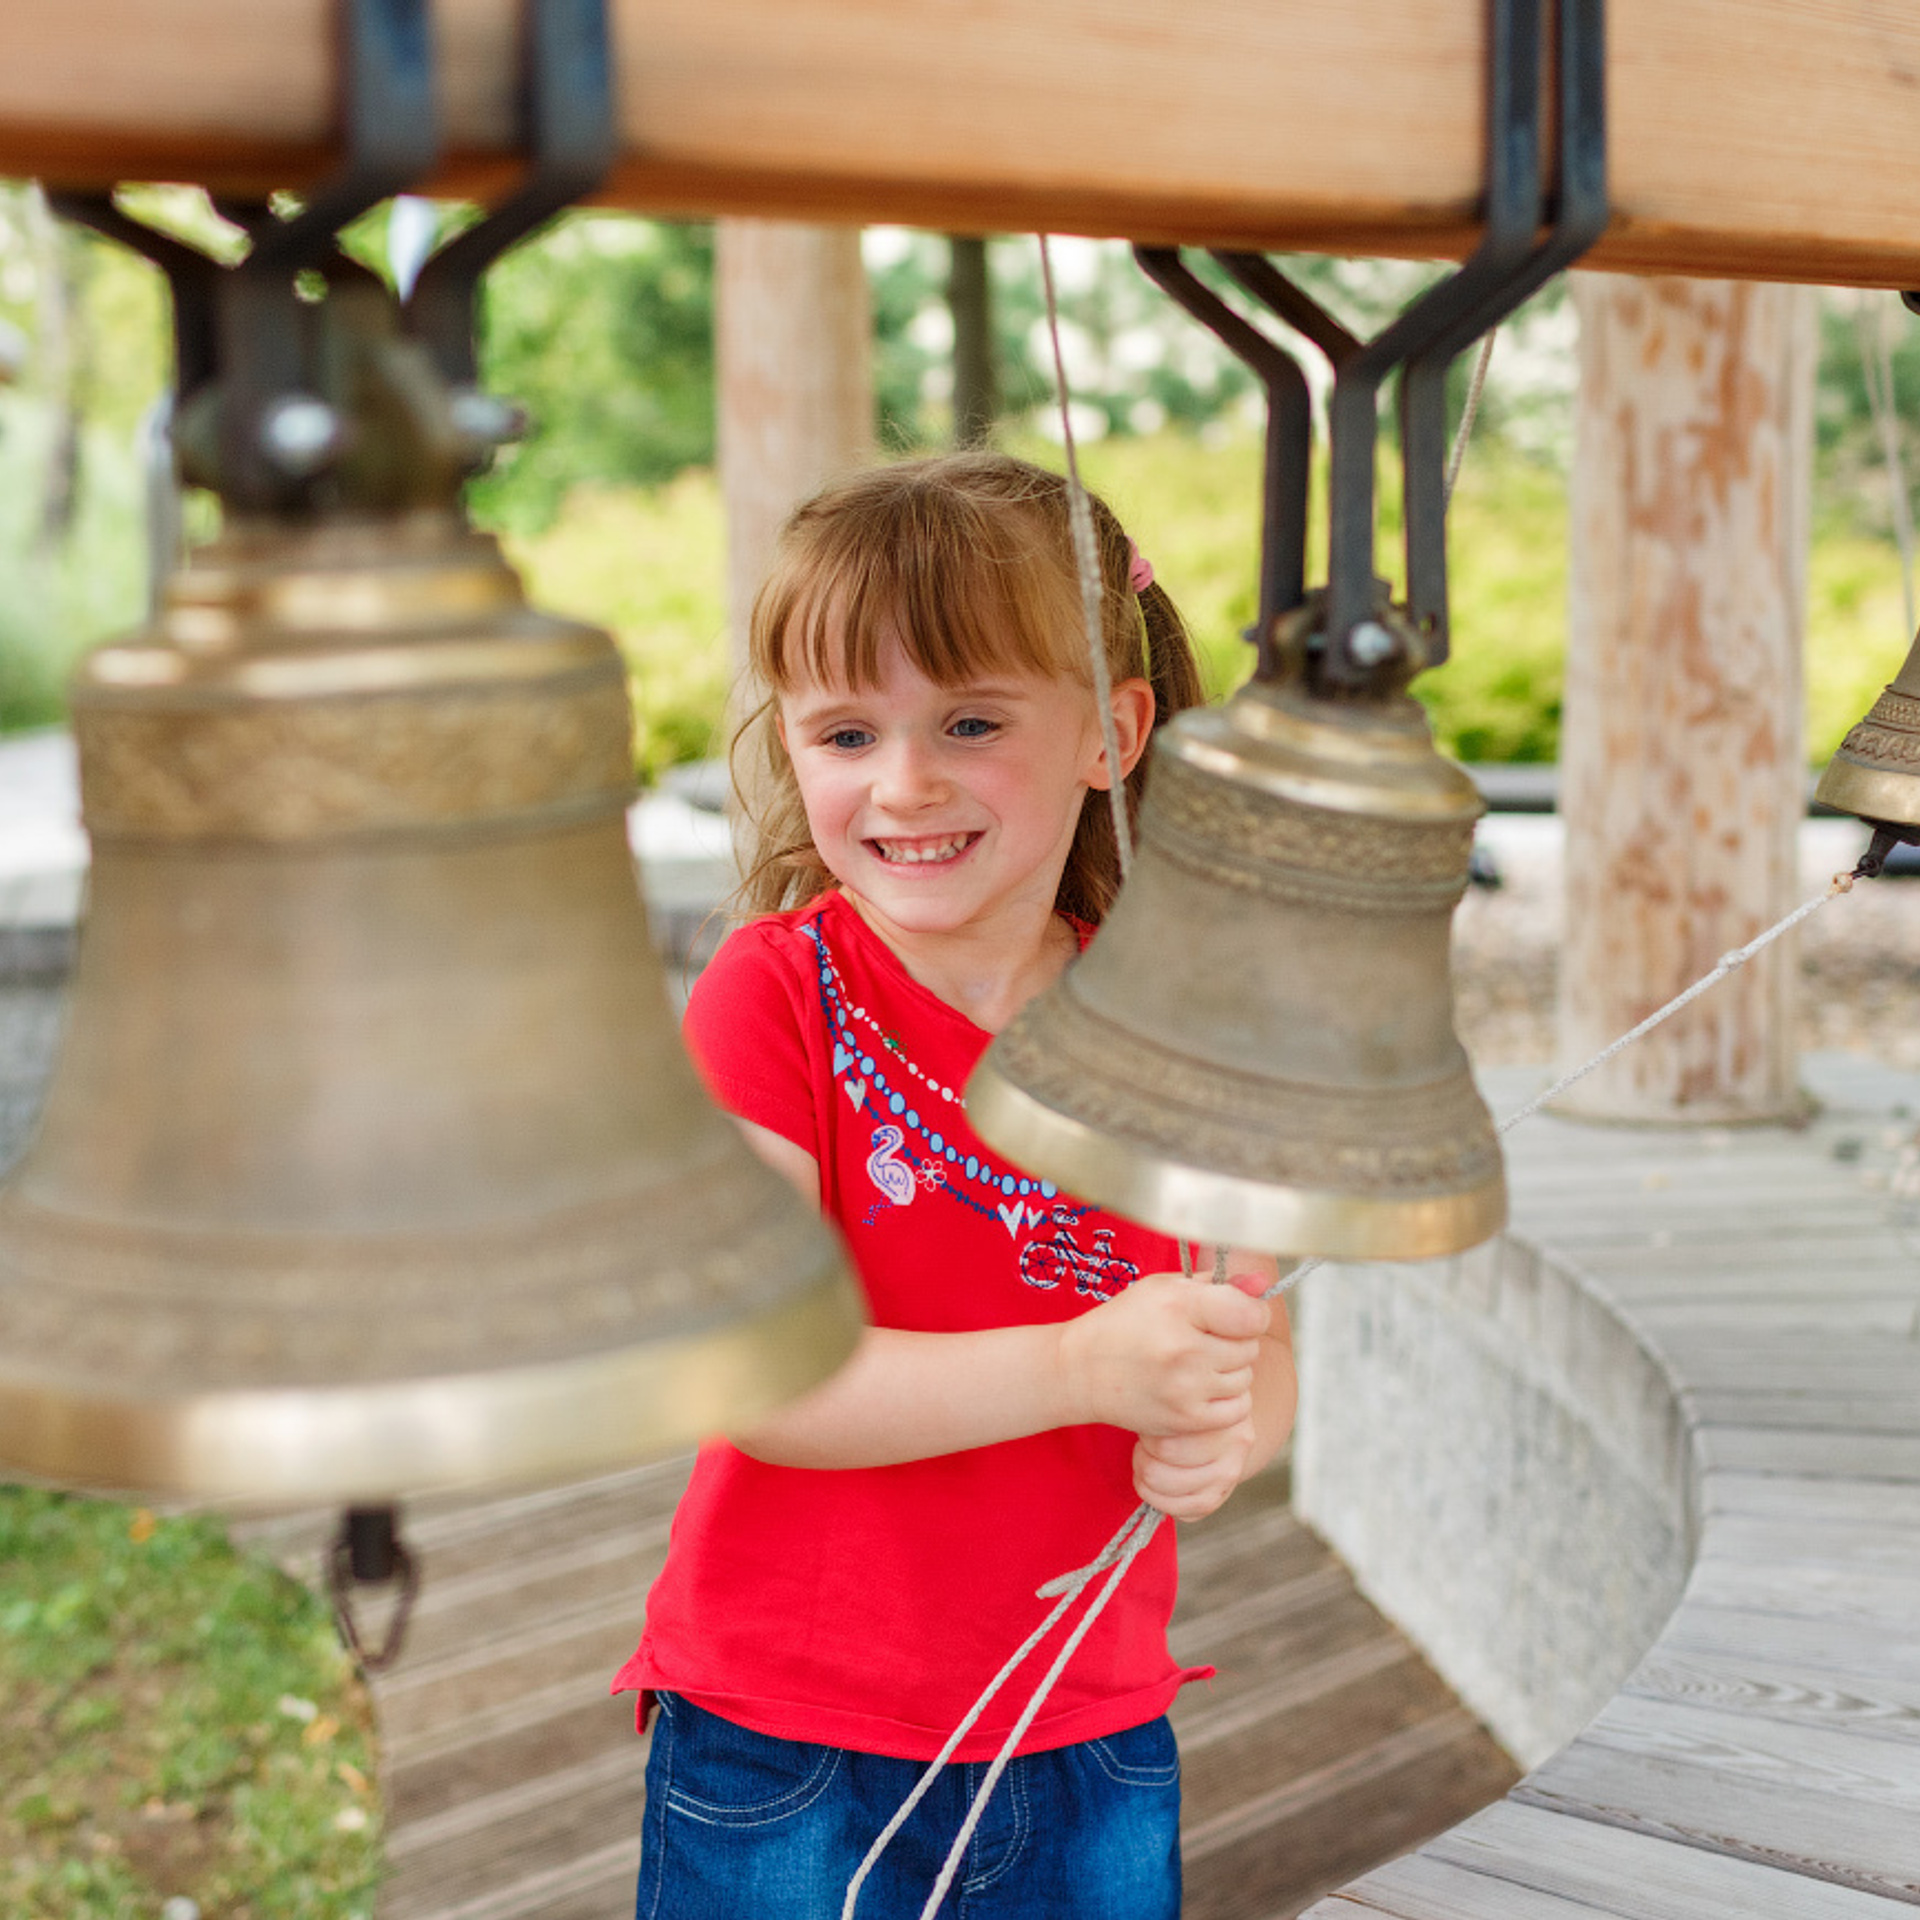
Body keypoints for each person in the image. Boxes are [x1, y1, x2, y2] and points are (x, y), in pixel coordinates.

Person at [614, 451, 1298, 1920]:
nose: (904, 784)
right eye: (846, 731)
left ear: (1112, 734)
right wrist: (1079, 1365)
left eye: (972, 722)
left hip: (1091, 1726)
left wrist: (1225, 1428)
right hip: (785, 1735)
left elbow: (1258, 1329)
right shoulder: (773, 996)